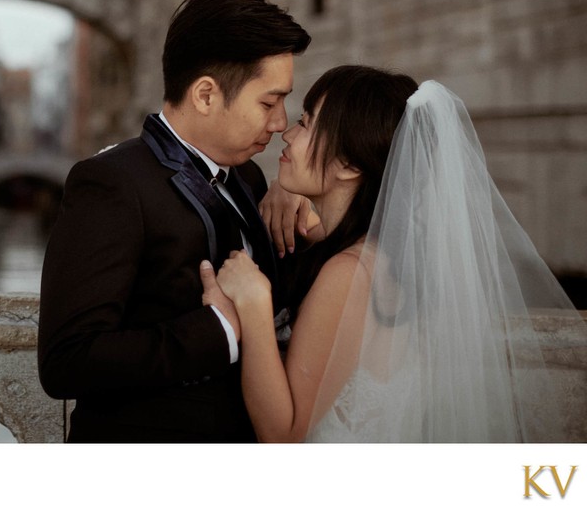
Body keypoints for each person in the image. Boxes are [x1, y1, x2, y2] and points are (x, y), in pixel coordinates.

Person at [202, 65, 587, 441]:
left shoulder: (349, 273)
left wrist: (252, 303)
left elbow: (285, 435)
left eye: (307, 122)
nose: (287, 134)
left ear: (350, 164)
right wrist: (287, 191)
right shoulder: (385, 250)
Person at [37, 0, 310, 442]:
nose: (281, 122)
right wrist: (219, 328)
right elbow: (66, 361)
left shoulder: (252, 181)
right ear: (206, 94)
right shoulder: (110, 183)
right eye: (268, 102)